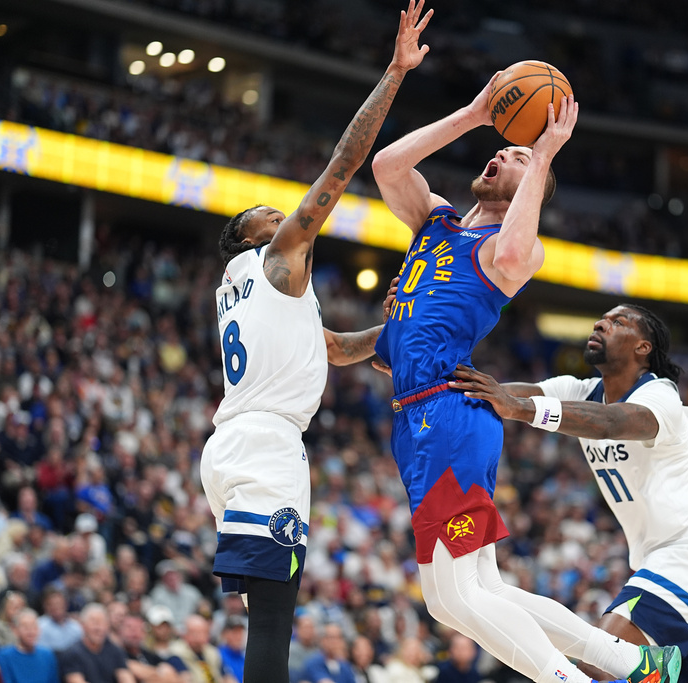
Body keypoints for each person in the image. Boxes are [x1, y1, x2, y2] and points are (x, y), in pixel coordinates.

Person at [370, 66, 676, 683]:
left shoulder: (509, 252)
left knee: (458, 595)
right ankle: (632, 663)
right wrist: (475, 112)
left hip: (448, 417)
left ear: (527, 185)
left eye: (512, 156)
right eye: (500, 148)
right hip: (417, 419)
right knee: (464, 594)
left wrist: (541, 154)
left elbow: (514, 252)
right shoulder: (437, 221)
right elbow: (387, 166)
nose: (499, 154)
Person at [198, 4, 432, 683]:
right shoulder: (275, 260)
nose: (285, 215)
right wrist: (394, 74)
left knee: (268, 612)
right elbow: (346, 159)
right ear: (250, 237)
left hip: (239, 445)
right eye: (268, 216)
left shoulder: (247, 287)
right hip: (265, 446)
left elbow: (328, 347)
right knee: (274, 616)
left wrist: (393, 333)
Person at [447, 303, 688, 683]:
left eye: (618, 322)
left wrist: (519, 408)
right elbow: (498, 394)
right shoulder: (582, 390)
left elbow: (610, 423)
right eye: (602, 318)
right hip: (663, 555)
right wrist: (429, 380)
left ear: (643, 348)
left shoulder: (661, 396)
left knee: (603, 660)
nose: (601, 323)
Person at [57, 603, 134, 683]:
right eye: (94, 622)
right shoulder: (72, 653)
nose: (98, 628)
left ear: (108, 626)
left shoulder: (115, 650)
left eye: (102, 623)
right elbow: (75, 680)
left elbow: (125, 677)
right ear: (83, 625)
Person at [0, 608, 58, 683]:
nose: (31, 632)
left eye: (34, 627)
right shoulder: (4, 656)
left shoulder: (47, 654)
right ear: (15, 630)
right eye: (25, 627)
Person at [117, 612, 183, 683]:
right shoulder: (116, 654)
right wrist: (157, 673)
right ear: (120, 631)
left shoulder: (149, 655)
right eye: (129, 627)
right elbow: (134, 670)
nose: (134, 632)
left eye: (138, 628)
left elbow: (170, 674)